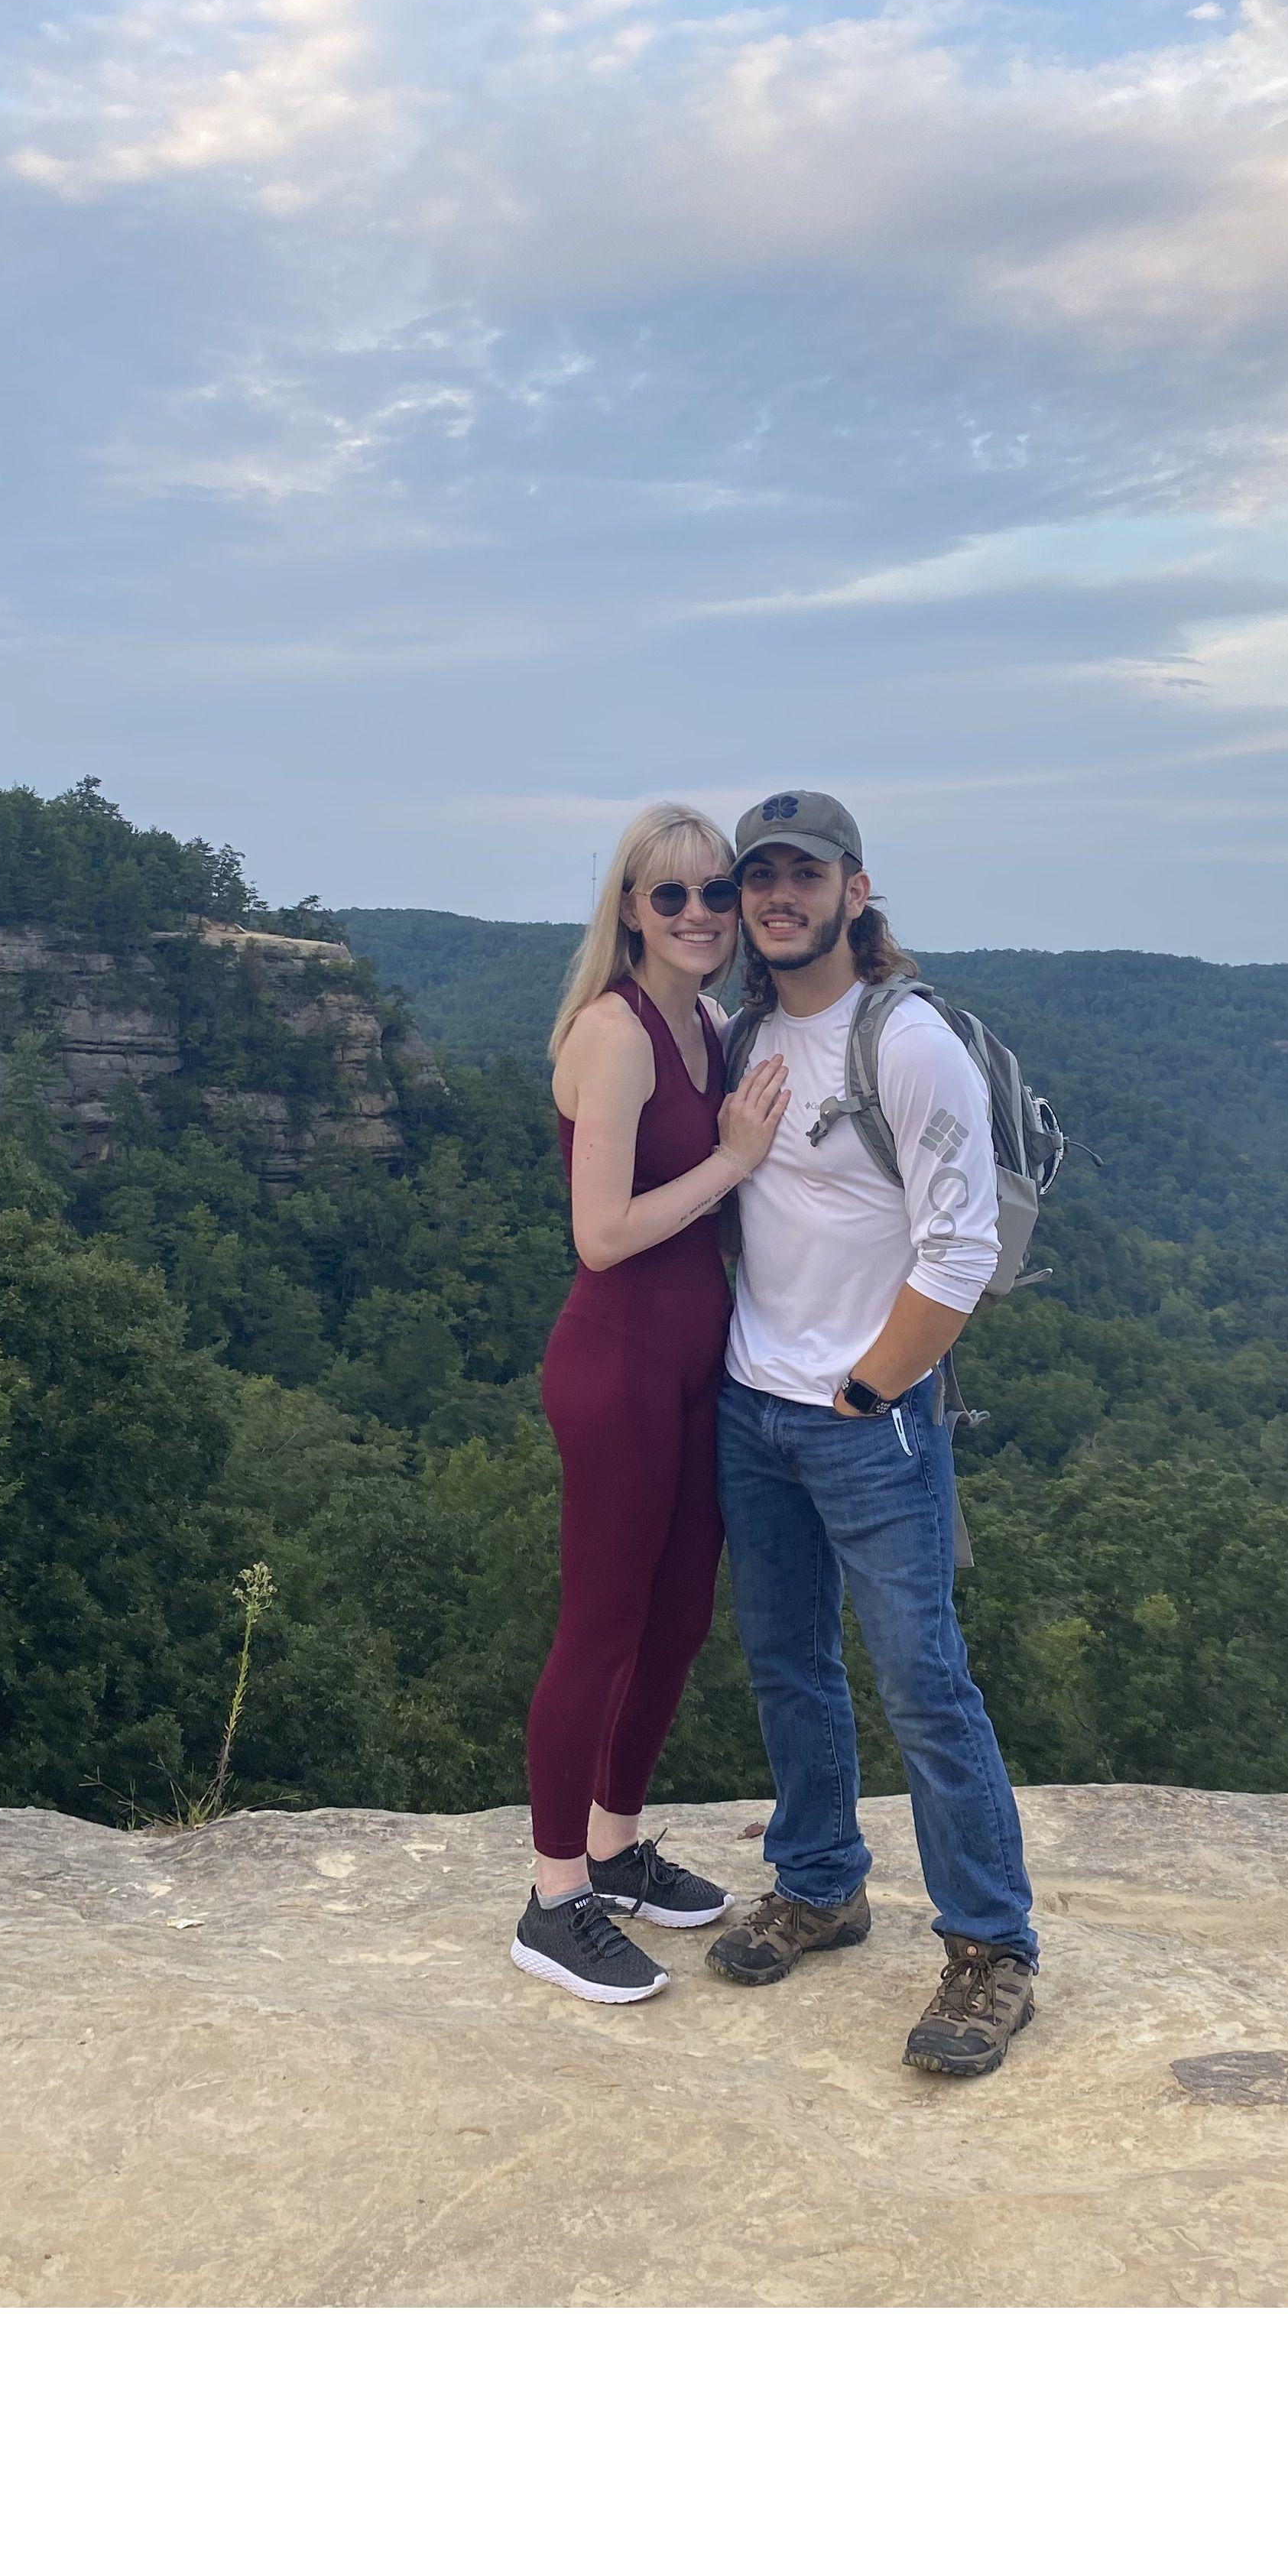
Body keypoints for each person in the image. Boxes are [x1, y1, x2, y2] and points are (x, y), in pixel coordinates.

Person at [705, 789, 1040, 2077]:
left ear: (856, 891)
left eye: (806, 874)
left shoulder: (906, 1043)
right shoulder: (743, 1040)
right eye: (759, 879)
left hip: (867, 1419)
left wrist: (865, 1391)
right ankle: (821, 1884)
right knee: (789, 1659)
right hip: (753, 1408)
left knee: (921, 1676)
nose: (779, 897)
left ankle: (991, 1949)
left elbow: (958, 1248)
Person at [511, 803, 791, 2003]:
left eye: (713, 894)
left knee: (678, 1617)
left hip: (697, 1359)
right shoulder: (616, 1036)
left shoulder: (710, 1027)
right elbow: (604, 1232)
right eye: (666, 894)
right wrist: (730, 1162)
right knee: (601, 1627)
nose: (696, 914)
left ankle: (617, 1849)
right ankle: (554, 1894)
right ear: (628, 907)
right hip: (619, 1360)